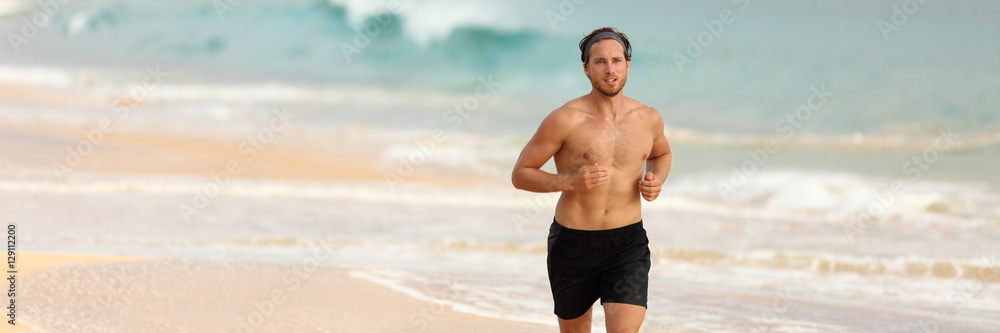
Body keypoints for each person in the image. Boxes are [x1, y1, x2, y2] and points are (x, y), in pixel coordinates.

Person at [511, 27, 672, 333]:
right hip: (572, 245)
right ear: (586, 68)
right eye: (600, 62)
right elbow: (521, 173)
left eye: (616, 60)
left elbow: (662, 154)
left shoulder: (648, 118)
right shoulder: (565, 119)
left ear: (627, 65)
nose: (609, 69)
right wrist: (568, 181)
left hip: (627, 245)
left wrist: (656, 178)